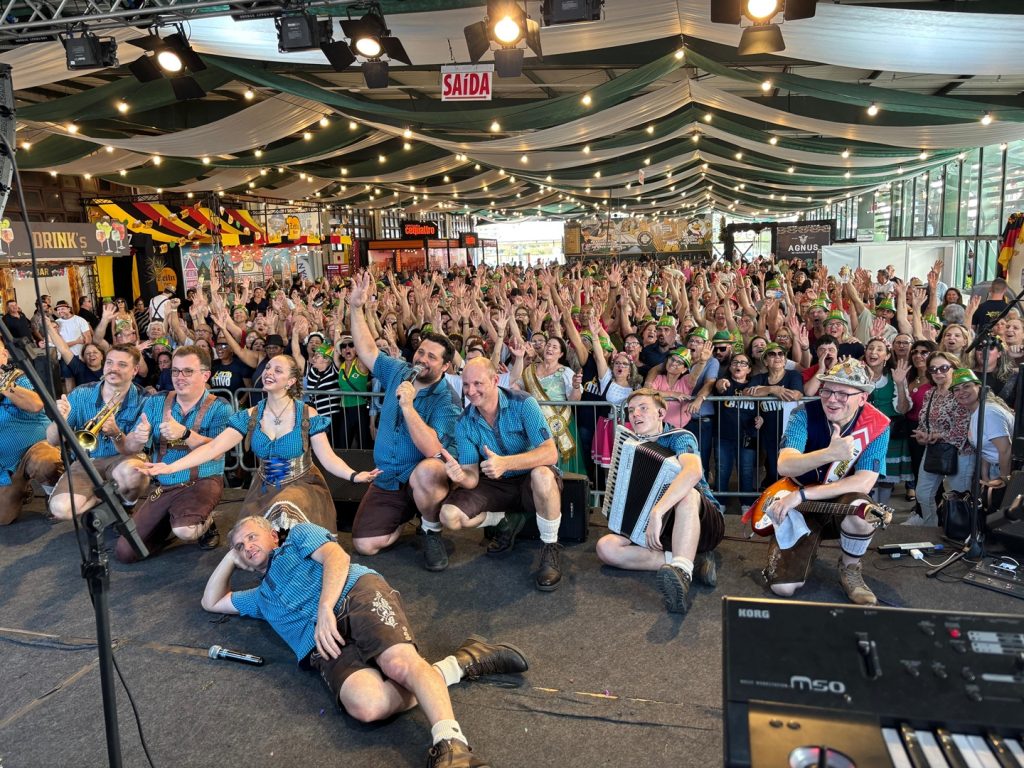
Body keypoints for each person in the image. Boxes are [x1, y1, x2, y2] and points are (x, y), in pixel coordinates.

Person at [203, 515, 528, 768]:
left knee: (398, 664)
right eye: (240, 546)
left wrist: (325, 608)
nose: (247, 546)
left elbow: (337, 558)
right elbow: (211, 602)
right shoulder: (259, 598)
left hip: (352, 595)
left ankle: (451, 745)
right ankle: (458, 665)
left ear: (273, 536)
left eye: (252, 537)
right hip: (322, 644)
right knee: (368, 706)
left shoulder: (298, 536)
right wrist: (230, 557)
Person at [142, 354, 378, 533]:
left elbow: (327, 457)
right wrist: (171, 467)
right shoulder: (251, 415)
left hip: (302, 485)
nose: (269, 372)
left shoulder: (308, 415)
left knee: (285, 507)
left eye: (277, 370)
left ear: (291, 381)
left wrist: (354, 475)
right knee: (252, 542)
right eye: (267, 368)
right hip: (264, 488)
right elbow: (213, 448)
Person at [347, 273, 462, 569]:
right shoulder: (399, 371)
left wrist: (409, 408)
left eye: (432, 357)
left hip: (422, 478)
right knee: (364, 545)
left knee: (428, 470)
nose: (422, 359)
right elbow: (367, 350)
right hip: (387, 477)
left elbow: (433, 450)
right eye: (421, 352)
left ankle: (431, 530)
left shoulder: (446, 399)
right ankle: (406, 516)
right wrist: (356, 308)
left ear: (445, 366)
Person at [761, 358, 891, 606]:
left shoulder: (877, 425)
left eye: (843, 394)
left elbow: (863, 482)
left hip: (826, 500)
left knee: (863, 512)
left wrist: (804, 495)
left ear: (862, 398)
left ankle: (850, 567)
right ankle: (805, 547)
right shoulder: (803, 414)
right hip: (799, 505)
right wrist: (829, 454)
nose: (832, 399)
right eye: (827, 390)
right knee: (783, 588)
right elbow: (784, 465)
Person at [594, 389, 724, 614]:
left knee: (688, 494)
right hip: (662, 530)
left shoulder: (680, 437)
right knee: (606, 548)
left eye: (643, 408)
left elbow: (693, 472)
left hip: (704, 521)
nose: (635, 414)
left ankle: (682, 575)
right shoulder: (630, 444)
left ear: (661, 413)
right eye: (631, 411)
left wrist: (657, 512)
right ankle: (693, 561)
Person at [438, 357, 565, 589]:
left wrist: (506, 463)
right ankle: (504, 521)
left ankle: (550, 547)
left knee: (543, 475)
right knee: (449, 516)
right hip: (496, 483)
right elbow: (471, 476)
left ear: (495, 380)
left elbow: (550, 453)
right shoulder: (464, 422)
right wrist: (460, 476)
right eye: (466, 385)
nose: (470, 391)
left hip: (529, 478)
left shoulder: (524, 403)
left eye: (477, 383)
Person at [114, 345, 232, 562]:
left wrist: (185, 434)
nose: (179, 377)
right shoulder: (156, 402)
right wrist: (137, 438)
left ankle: (204, 523)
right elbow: (129, 448)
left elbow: (217, 451)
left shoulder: (220, 407)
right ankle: (172, 521)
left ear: (205, 375)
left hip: (202, 481)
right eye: (175, 371)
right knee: (126, 552)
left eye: (188, 371)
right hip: (166, 484)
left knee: (186, 530)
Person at [47, 344, 149, 520]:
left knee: (133, 473)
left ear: (135, 370)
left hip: (124, 458)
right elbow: (53, 441)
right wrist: (59, 420)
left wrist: (116, 433)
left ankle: (127, 505)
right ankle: (107, 500)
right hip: (87, 460)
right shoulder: (81, 393)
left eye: (122, 365)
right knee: (60, 509)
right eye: (109, 362)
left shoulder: (145, 400)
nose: (113, 368)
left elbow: (133, 448)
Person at [905, 351, 972, 527]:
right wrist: (922, 435)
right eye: (933, 369)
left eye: (943, 368)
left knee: (960, 497)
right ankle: (930, 528)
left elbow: (963, 429)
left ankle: (961, 533)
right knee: (923, 494)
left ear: (954, 368)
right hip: (934, 450)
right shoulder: (930, 393)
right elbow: (924, 422)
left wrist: (935, 436)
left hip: (961, 452)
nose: (938, 373)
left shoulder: (962, 392)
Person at [0, 338, 62, 525]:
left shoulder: (19, 378)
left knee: (46, 463)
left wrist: (3, 384)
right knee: (3, 518)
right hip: (6, 465)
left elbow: (36, 404)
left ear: (4, 355)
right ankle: (23, 489)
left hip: (33, 450)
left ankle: (53, 494)